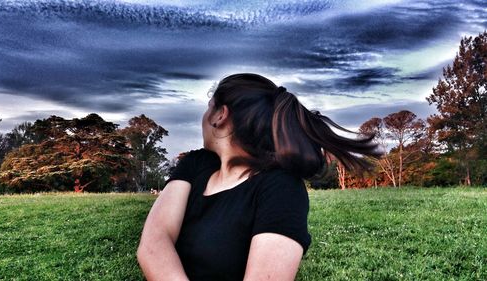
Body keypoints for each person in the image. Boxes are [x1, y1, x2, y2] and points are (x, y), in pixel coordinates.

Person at [137, 73, 380, 280]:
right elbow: (154, 242)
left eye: (208, 106)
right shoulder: (195, 164)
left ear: (221, 115)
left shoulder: (281, 189)